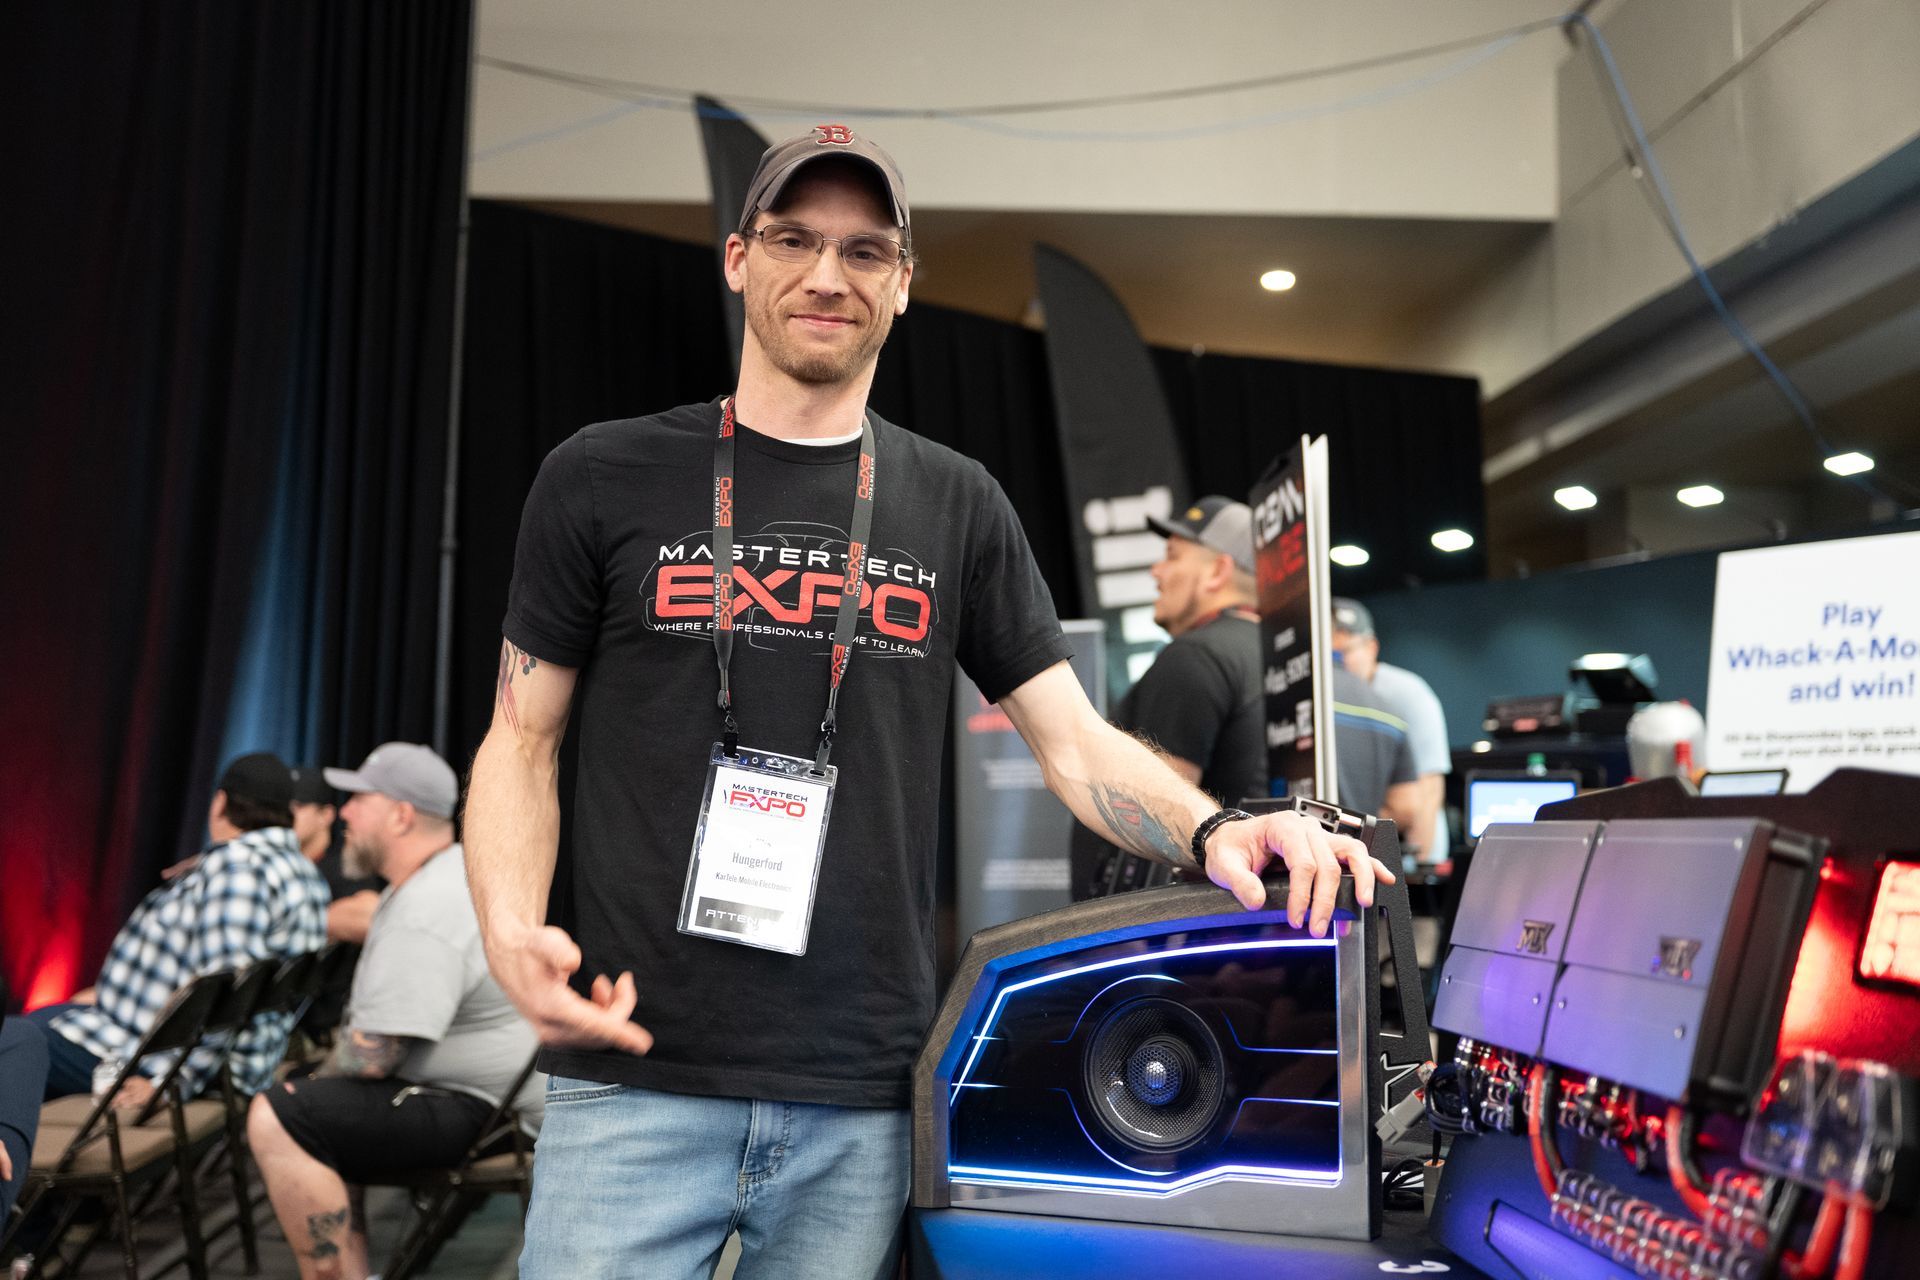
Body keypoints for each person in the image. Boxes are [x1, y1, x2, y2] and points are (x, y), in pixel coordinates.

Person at [465, 124, 1393, 1280]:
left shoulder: (956, 501)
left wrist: (1215, 828)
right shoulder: (601, 474)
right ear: (737, 257)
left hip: (863, 1088)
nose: (825, 275)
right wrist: (506, 926)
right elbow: (521, 734)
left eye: (865, 250)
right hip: (635, 1069)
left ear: (904, 284)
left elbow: (1074, 742)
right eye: (795, 240)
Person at [248, 743, 542, 1280]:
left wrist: (310, 1082)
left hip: (486, 1114)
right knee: (318, 1100)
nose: (345, 813)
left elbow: (374, 1058)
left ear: (401, 815)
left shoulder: (427, 907)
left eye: (360, 799)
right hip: (498, 1102)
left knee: (278, 1115)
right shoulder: (454, 872)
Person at [15, 754, 329, 1112]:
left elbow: (226, 993)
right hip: (196, 1050)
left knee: (14, 1045)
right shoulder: (301, 872)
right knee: (38, 1021)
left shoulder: (238, 874)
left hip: (173, 1063)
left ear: (221, 802)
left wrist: (168, 1082)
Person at [1072, 496, 1264, 898]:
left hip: (1173, 936)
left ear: (1217, 571)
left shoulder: (1196, 656)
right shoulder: (1271, 653)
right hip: (1249, 919)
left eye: (1172, 556)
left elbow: (1156, 809)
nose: (1156, 571)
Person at [1331, 598, 1452, 863]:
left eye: (1346, 651)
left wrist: (1420, 866)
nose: (1337, 662)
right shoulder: (1333, 693)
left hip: (1417, 848)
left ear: (1371, 647)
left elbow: (1429, 788)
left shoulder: (1408, 693)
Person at [288, 765, 381, 944]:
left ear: (326, 815)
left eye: (299, 806)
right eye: (285, 806)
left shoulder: (343, 861)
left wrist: (291, 920)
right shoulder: (278, 864)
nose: (288, 814)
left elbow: (369, 916)